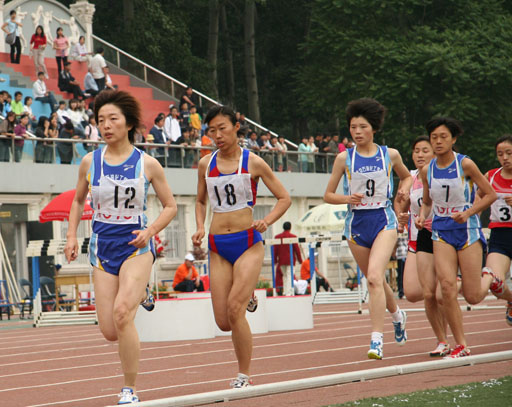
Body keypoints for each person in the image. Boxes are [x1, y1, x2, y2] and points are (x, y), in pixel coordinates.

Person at [64, 90, 177, 405]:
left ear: (128, 123)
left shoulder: (147, 164)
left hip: (135, 247)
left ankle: (129, 389)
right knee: (110, 330)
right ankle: (141, 292)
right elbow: (77, 201)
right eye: (101, 120)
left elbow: (170, 206)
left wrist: (150, 231)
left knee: (122, 313)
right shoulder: (90, 162)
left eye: (113, 119)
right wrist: (71, 236)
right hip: (103, 248)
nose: (106, 125)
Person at [192, 105, 291, 388]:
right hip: (217, 245)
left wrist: (267, 221)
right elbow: (200, 201)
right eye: (212, 131)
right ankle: (247, 296)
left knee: (235, 310)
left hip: (247, 242)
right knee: (224, 322)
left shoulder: (254, 163)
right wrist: (200, 226)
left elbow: (284, 198)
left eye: (222, 129)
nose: (217, 135)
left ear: (236, 127)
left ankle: (243, 375)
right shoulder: (206, 164)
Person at [324, 98, 412, 360]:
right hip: (357, 224)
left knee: (374, 277)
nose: (357, 132)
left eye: (362, 127)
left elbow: (407, 176)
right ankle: (397, 316)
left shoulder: (390, 154)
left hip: (384, 219)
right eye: (353, 127)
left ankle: (376, 340)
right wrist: (347, 198)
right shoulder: (344, 158)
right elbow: (328, 195)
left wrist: (404, 190)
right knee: (376, 280)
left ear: (374, 128)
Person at [417, 117, 497, 359]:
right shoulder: (427, 170)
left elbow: (490, 195)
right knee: (446, 287)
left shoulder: (466, 164)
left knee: (473, 296)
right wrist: (422, 216)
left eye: (443, 137)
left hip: (467, 230)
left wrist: (468, 213)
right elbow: (427, 202)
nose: (438, 141)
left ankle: (489, 276)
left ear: (453, 139)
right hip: (441, 231)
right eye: (434, 137)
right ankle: (461, 344)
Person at [395, 136, 451, 356]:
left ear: (434, 153)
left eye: (424, 151)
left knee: (437, 294)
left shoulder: (443, 174)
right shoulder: (410, 177)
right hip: (417, 239)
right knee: (412, 292)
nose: (419, 155)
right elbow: (400, 205)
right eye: (416, 150)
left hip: (442, 237)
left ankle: (443, 340)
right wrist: (401, 213)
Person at [478, 135, 512, 324]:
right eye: (500, 154)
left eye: (509, 153)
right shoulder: (490, 176)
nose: (504, 158)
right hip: (500, 237)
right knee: (494, 283)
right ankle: (511, 300)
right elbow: (477, 201)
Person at [274, 222, 303, 296]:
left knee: (285, 275)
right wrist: (300, 260)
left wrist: (275, 260)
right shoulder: (293, 237)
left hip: (281, 260)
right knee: (290, 275)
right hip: (290, 260)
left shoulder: (277, 237)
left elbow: (275, 250)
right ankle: (289, 292)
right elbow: (297, 250)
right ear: (290, 228)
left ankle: (285, 291)